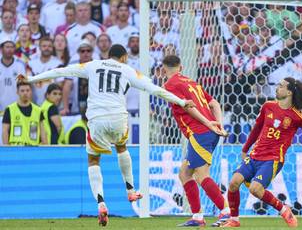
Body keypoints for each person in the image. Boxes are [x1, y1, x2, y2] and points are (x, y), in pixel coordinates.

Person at [17, 44, 195, 226]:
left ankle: (101, 203)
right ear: (124, 57)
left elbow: (60, 71)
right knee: (121, 147)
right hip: (118, 117)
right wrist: (181, 101)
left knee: (93, 160)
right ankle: (131, 191)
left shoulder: (92, 65)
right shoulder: (127, 70)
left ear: (108, 56)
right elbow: (154, 89)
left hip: (97, 118)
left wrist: (31, 79)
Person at [221, 78, 302, 228]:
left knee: (255, 190)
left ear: (289, 92)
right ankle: (234, 220)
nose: (277, 88)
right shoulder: (268, 106)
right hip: (255, 155)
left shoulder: (297, 116)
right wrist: (245, 149)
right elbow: (256, 128)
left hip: (273, 159)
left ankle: (283, 209)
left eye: (281, 86)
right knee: (234, 183)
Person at [161, 55, 230, 227]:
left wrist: (208, 123)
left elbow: (187, 106)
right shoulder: (192, 82)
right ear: (181, 67)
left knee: (201, 175)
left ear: (163, 69)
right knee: (184, 173)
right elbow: (214, 103)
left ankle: (227, 212)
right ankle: (197, 216)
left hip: (200, 132)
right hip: (209, 131)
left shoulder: (170, 85)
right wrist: (218, 124)